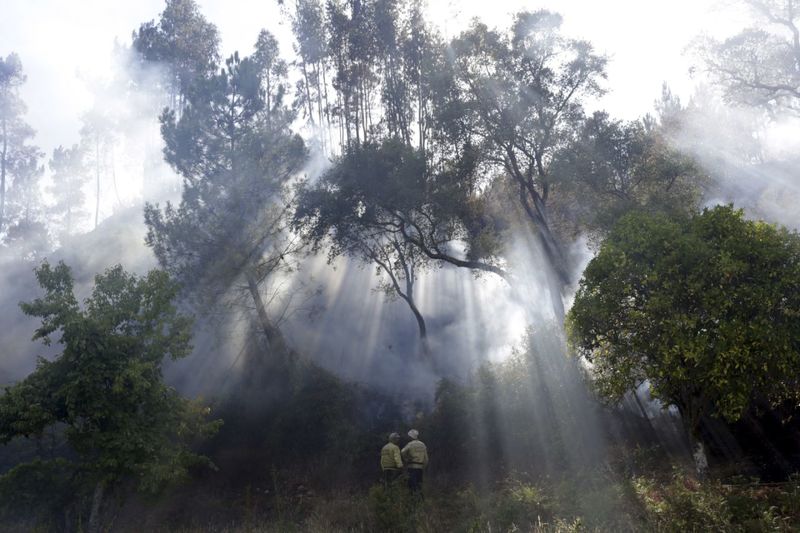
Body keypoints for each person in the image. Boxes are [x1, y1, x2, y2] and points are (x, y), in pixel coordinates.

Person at [401, 429, 428, 494]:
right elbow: (426, 459)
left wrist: (406, 459)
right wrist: (423, 467)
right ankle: (420, 501)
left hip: (412, 467)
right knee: (419, 485)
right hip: (420, 468)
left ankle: (413, 501)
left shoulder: (410, 444)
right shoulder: (423, 444)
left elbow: (402, 451)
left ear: (411, 437)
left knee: (412, 486)